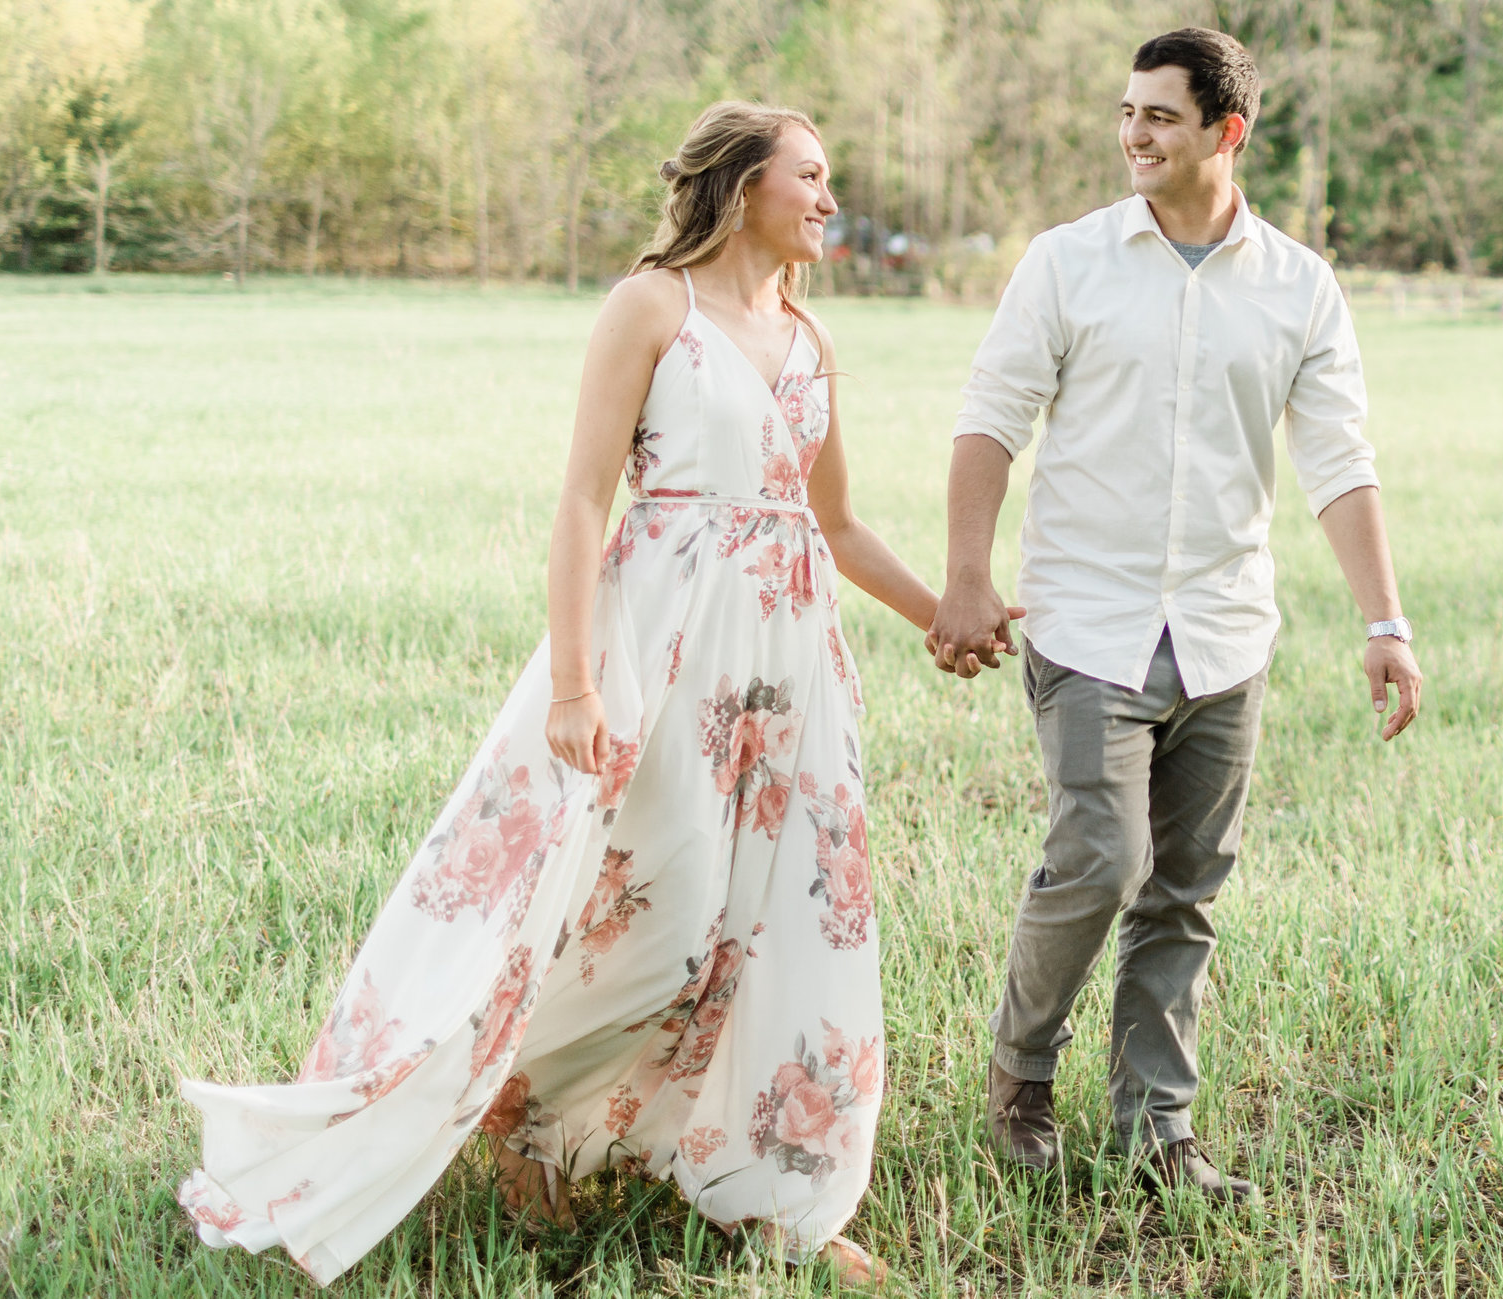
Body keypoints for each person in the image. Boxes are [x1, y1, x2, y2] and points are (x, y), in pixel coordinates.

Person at [179, 103, 950, 1288]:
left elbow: (836, 522)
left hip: (791, 667)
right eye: (811, 176)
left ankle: (785, 1187)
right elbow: (585, 500)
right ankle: (523, 1114)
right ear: (744, 187)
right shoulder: (652, 307)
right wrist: (577, 681)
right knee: (658, 907)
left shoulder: (811, 336)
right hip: (664, 642)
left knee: (794, 916)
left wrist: (943, 614)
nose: (830, 199)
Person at [930, 27, 1424, 1204]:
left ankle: (1158, 1130)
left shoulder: (1300, 286)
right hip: (1085, 617)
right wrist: (963, 572)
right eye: (1126, 112)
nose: (1133, 134)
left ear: (1225, 131)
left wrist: (1384, 620)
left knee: (1185, 888)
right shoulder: (1067, 261)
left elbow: (1338, 463)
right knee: (1101, 857)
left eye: (1158, 115)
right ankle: (1020, 1074)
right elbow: (989, 417)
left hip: (1222, 627)